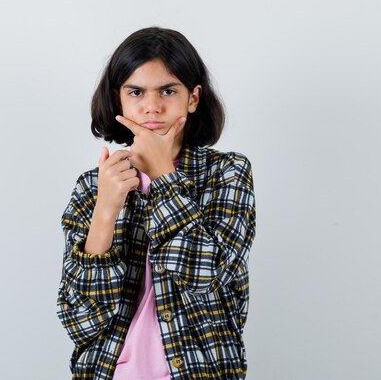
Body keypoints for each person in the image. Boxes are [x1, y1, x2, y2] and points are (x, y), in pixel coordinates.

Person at [56, 26, 257, 380]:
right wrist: (105, 210)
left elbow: (205, 275)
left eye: (168, 90)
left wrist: (164, 174)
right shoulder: (93, 186)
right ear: (119, 99)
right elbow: (80, 321)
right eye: (136, 91)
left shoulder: (227, 173)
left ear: (192, 98)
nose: (152, 106)